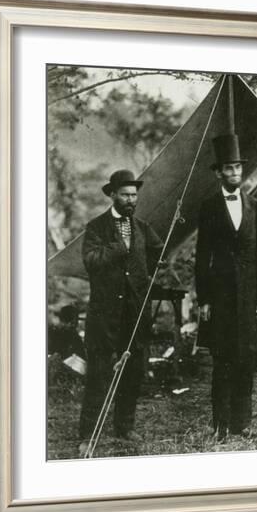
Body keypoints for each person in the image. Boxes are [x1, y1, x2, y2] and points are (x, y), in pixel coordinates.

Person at [78, 169, 163, 454]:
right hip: (104, 315)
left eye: (134, 195)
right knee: (99, 373)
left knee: (134, 370)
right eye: (125, 194)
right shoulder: (96, 227)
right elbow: (90, 261)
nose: (131, 199)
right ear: (112, 195)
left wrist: (148, 275)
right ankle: (88, 435)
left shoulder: (141, 226)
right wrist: (118, 248)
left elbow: (157, 252)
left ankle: (124, 427)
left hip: (135, 313)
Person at [195, 133, 257, 442]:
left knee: (245, 361)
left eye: (238, 168)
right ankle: (220, 425)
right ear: (218, 172)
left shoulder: (254, 206)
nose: (235, 173)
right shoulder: (209, 207)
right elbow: (202, 255)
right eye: (229, 168)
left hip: (249, 297)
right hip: (221, 297)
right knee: (223, 361)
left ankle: (243, 423)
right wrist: (204, 299)